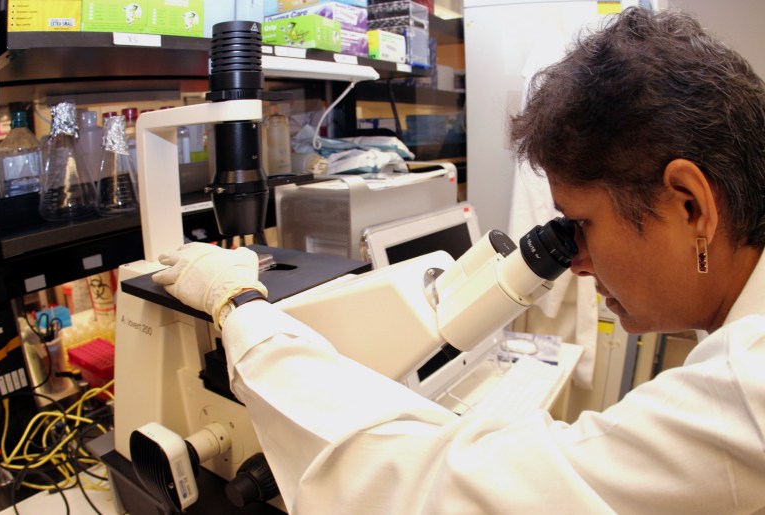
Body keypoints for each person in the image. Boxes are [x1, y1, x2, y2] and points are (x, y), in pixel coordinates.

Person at [153, 7, 765, 514]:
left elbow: (432, 489)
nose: (575, 261)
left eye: (580, 223)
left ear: (689, 205)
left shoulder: (744, 392)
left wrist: (242, 310)